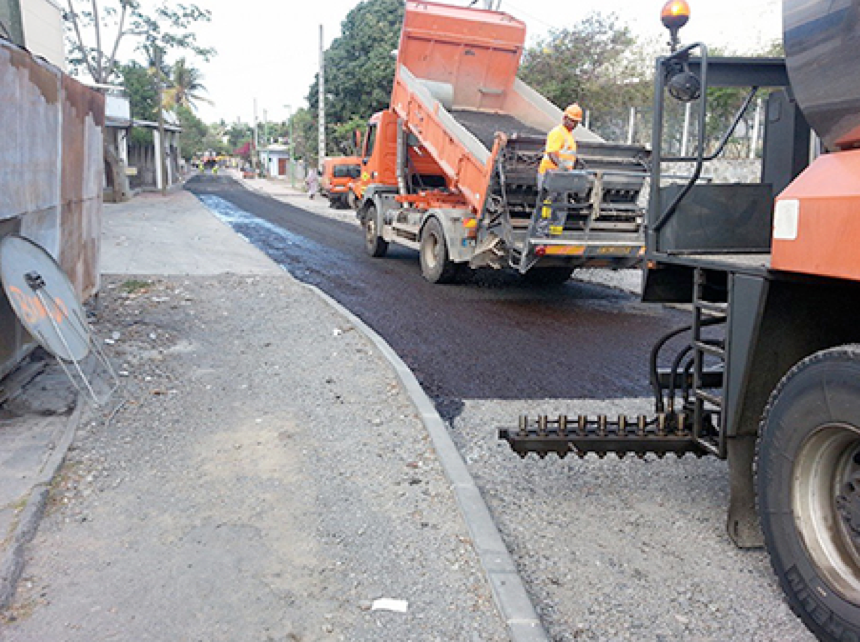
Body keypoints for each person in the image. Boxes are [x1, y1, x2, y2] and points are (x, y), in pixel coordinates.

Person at [537, 103, 582, 193]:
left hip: (560, 175)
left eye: (576, 122)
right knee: (548, 202)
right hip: (550, 175)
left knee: (558, 204)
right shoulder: (558, 132)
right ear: (565, 118)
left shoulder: (568, 135)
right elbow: (551, 153)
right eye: (572, 121)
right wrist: (561, 166)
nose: (574, 124)